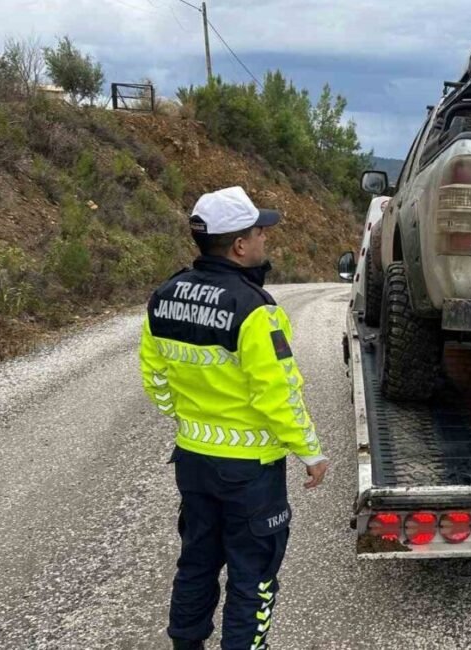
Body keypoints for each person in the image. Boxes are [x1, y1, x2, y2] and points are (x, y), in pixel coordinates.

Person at [138, 186, 329, 650]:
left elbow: (154, 376)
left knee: (196, 563)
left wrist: (187, 418)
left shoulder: (163, 297)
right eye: (260, 232)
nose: (266, 238)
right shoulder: (255, 309)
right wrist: (310, 452)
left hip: (193, 461)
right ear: (240, 245)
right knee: (253, 576)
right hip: (250, 473)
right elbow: (278, 393)